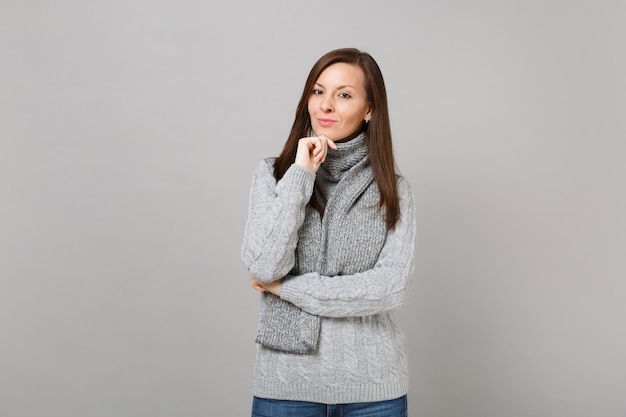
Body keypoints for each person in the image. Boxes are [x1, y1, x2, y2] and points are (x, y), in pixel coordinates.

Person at [241, 47, 416, 417]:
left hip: (373, 390)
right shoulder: (273, 175)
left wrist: (286, 289)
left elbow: (389, 287)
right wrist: (302, 174)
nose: (326, 106)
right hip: (285, 386)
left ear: (369, 109)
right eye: (318, 91)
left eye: (344, 95)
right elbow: (264, 264)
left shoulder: (392, 189)